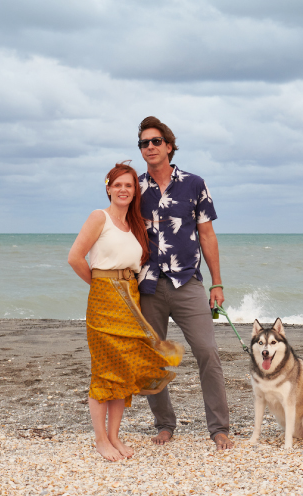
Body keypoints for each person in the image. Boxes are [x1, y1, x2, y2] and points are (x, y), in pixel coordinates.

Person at [68, 162, 184, 462]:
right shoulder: (99, 217)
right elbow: (75, 257)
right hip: (104, 301)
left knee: (123, 370)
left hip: (130, 298)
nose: (123, 190)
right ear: (108, 188)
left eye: (129, 185)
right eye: (117, 184)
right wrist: (100, 285)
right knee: (103, 371)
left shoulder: (135, 226)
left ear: (135, 192)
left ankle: (114, 436)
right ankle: (100, 440)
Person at [135, 116, 234, 450]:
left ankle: (219, 428)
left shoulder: (194, 184)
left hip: (187, 281)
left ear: (169, 146)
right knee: (152, 358)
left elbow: (207, 234)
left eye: (156, 141)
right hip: (147, 284)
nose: (150, 147)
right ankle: (164, 424)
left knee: (207, 351)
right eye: (144, 143)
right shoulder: (135, 187)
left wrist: (217, 284)